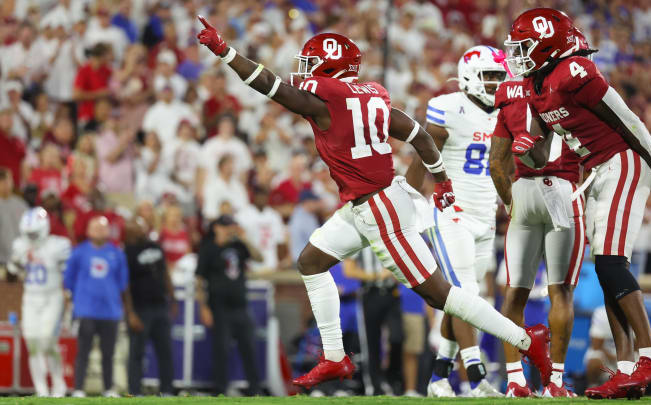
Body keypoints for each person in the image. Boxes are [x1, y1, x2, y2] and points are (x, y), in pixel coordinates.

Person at [197, 19, 552, 390]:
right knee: (311, 262)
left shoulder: (325, 102)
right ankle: (334, 357)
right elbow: (418, 134)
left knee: (440, 295)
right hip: (366, 204)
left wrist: (225, 51)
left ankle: (527, 341)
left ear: (329, 70)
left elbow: (269, 86)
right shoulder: (372, 95)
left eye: (311, 64)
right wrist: (442, 180)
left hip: (380, 209)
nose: (303, 72)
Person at [504, 8, 651, 399]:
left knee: (609, 263)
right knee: (608, 273)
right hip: (595, 173)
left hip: (621, 162)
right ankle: (626, 372)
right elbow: (540, 153)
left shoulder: (574, 71)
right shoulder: (536, 87)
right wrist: (525, 149)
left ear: (547, 45)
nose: (518, 55)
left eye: (525, 46)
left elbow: (629, 120)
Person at [489, 30, 588, 397]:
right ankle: (556, 383)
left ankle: (515, 380)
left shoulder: (509, 93)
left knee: (515, 292)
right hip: (562, 189)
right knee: (560, 292)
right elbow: (592, 151)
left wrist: (513, 204)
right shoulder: (575, 85)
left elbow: (497, 165)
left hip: (523, 190)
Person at [404, 45, 506, 398]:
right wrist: (406, 199)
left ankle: (439, 378)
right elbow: (424, 152)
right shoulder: (450, 106)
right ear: (468, 75)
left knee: (461, 300)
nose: (495, 83)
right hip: (451, 212)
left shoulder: (504, 112)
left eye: (499, 76)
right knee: (467, 295)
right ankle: (476, 378)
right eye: (488, 76)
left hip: (485, 215)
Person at [195, 215, 263, 396]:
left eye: (231, 226)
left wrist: (244, 238)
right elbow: (199, 280)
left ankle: (254, 389)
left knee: (249, 347)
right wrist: (203, 307)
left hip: (240, 305)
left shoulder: (238, 246)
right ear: (216, 227)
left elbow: (259, 257)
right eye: (225, 226)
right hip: (219, 307)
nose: (228, 229)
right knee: (221, 350)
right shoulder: (208, 249)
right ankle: (220, 390)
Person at [8, 208, 71, 397]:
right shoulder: (20, 245)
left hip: (51, 297)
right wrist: (16, 262)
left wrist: (68, 298)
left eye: (34, 232)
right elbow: (13, 275)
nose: (31, 237)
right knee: (33, 345)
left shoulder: (58, 245)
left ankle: (58, 386)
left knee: (47, 341)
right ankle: (41, 389)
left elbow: (68, 274)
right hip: (31, 298)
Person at [64, 216, 128, 398]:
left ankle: (108, 388)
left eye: (103, 228)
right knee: (83, 351)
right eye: (95, 227)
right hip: (86, 310)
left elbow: (123, 283)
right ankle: (78, 389)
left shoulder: (117, 254)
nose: (99, 231)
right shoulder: (78, 253)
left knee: (108, 353)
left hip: (110, 312)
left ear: (108, 231)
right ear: (88, 231)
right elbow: (68, 280)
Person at [123, 217, 175, 396]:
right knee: (136, 353)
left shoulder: (155, 246)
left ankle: (167, 391)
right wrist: (130, 313)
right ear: (128, 232)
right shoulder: (127, 252)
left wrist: (173, 298)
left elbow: (165, 272)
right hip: (140, 308)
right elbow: (125, 286)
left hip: (160, 305)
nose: (138, 229)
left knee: (165, 351)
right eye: (134, 227)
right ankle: (134, 392)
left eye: (140, 226)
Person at [343, 247, 403, 396]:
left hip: (392, 294)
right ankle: (374, 386)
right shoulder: (360, 237)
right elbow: (349, 270)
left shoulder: (389, 234)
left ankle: (391, 379)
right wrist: (376, 276)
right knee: (371, 343)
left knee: (397, 337)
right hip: (370, 294)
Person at [0, 167, 28, 268]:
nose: (5, 184)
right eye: (2, 180)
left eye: (7, 180)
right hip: (1, 260)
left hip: (20, 259)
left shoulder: (21, 205)